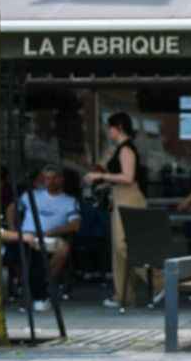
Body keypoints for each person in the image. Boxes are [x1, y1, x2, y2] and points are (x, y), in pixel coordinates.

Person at [85, 112, 149, 309]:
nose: (108, 132)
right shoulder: (119, 149)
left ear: (119, 127)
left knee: (125, 246)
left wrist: (100, 176)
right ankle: (123, 295)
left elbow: (128, 177)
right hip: (120, 198)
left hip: (129, 199)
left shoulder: (126, 149)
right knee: (118, 250)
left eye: (110, 127)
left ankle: (161, 280)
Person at [11, 164, 80, 312]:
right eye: (46, 178)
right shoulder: (31, 195)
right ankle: (32, 287)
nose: (50, 181)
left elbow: (75, 225)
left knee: (63, 249)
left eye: (53, 178)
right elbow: (12, 208)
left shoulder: (69, 201)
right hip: (26, 235)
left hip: (51, 237)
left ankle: (44, 282)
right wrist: (13, 229)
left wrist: (52, 231)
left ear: (61, 180)